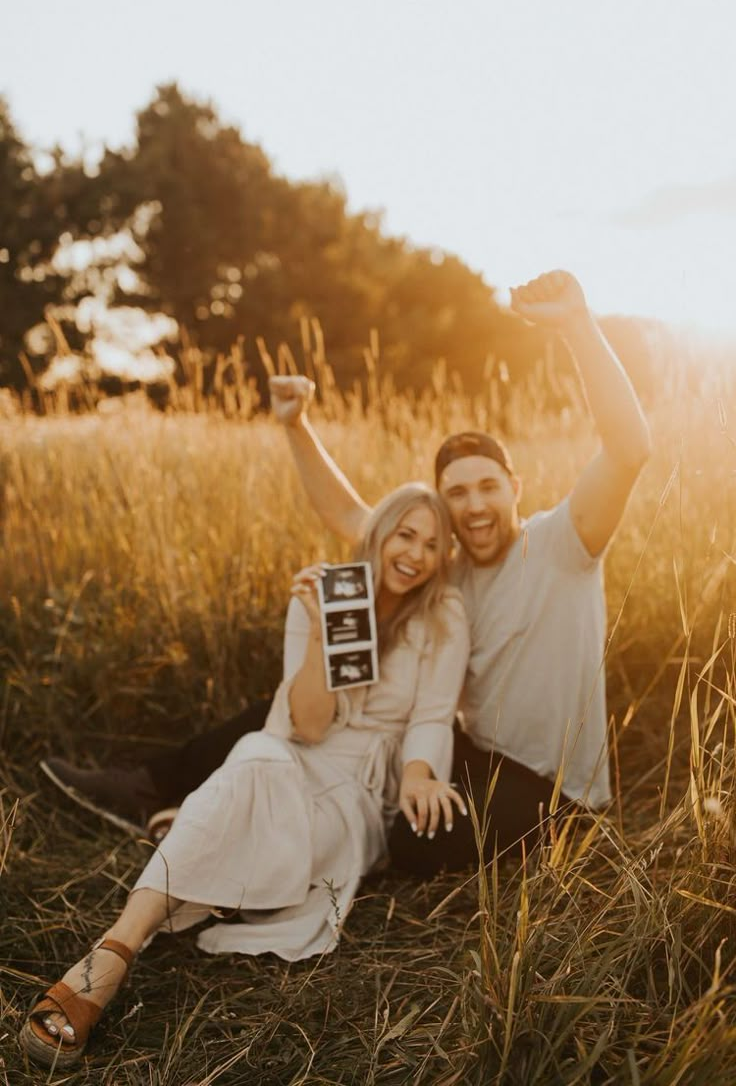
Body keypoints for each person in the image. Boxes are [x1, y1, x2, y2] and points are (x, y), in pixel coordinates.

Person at [43, 269, 651, 873]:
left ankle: (249, 828)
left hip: (558, 795)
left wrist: (576, 323)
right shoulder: (442, 566)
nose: (474, 506)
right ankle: (155, 787)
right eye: (456, 494)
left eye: (487, 487)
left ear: (514, 487)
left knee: (410, 842)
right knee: (304, 704)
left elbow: (629, 448)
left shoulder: (563, 543)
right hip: (467, 756)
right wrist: (296, 424)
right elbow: (349, 513)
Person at [21, 483, 469, 1069]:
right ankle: (113, 951)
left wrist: (417, 774)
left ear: (443, 557)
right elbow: (307, 726)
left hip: (357, 788)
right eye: (405, 534)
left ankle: (197, 824)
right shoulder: (326, 591)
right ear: (379, 533)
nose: (415, 553)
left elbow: (434, 714)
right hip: (300, 751)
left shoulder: (443, 616)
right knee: (256, 753)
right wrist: (316, 634)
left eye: (433, 544)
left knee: (256, 811)